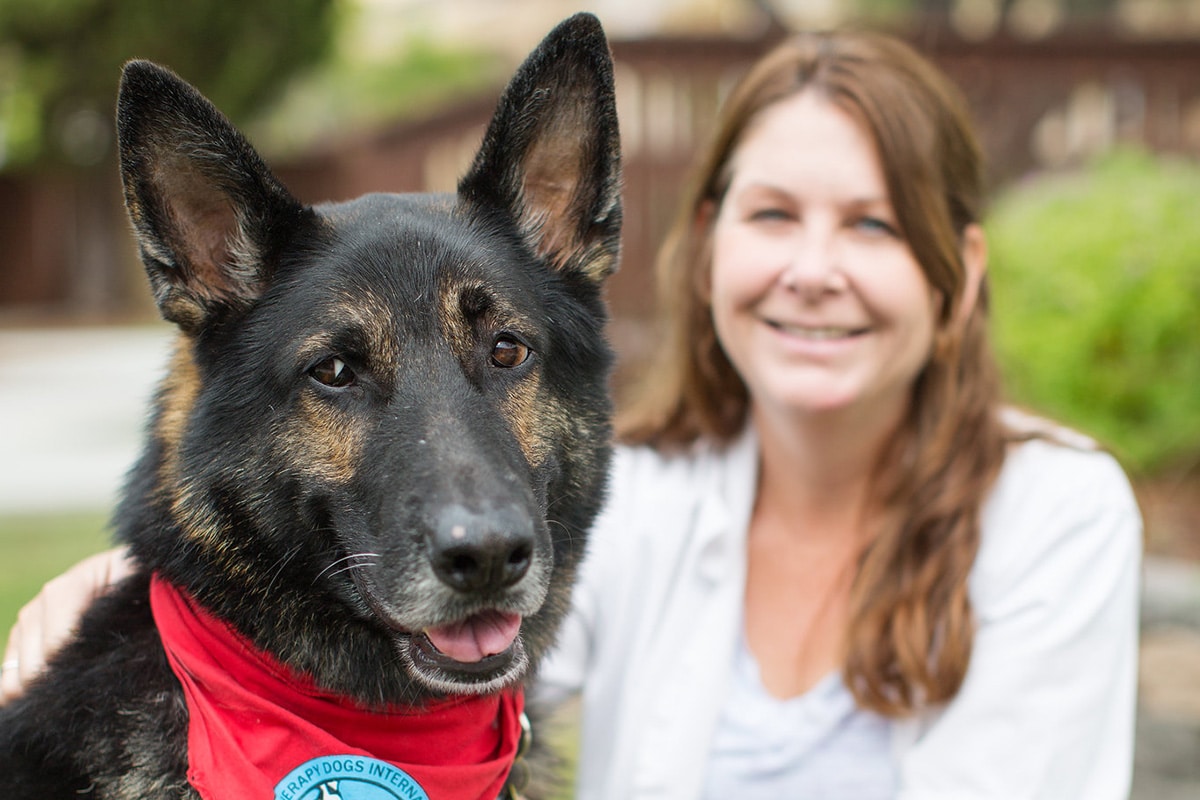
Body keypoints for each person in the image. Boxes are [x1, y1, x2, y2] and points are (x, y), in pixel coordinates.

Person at [2, 29, 1142, 800]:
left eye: (873, 226)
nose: (813, 268)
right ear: (708, 244)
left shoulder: (1058, 511)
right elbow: (235, 556)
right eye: (775, 213)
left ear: (962, 268)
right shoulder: (665, 489)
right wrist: (104, 599)